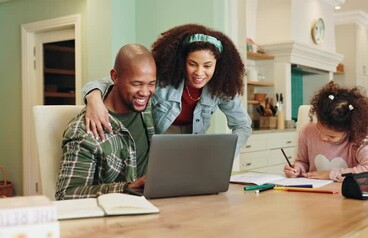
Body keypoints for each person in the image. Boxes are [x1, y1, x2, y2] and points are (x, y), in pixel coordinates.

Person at [82, 24, 251, 151]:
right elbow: (108, 82)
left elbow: (243, 125)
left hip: (193, 145)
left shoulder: (221, 87)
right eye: (192, 64)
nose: (199, 73)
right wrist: (94, 100)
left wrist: (226, 154)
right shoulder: (164, 75)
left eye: (207, 66)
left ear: (217, 65)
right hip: (156, 144)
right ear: (181, 61)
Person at [55, 44, 157, 200]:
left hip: (155, 204)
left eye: (151, 84)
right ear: (115, 77)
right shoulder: (84, 131)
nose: (145, 92)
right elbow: (67, 193)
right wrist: (127, 188)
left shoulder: (148, 107)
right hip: (112, 216)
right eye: (136, 84)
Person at [284, 81, 368, 182]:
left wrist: (331, 174)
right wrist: (297, 169)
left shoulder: (359, 139)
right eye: (319, 130)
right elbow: (303, 162)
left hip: (344, 193)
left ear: (349, 130)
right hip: (312, 191)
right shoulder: (307, 131)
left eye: (332, 136)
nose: (323, 138)